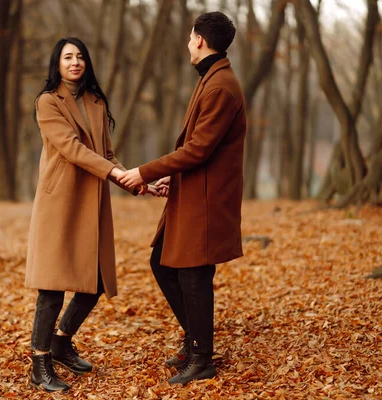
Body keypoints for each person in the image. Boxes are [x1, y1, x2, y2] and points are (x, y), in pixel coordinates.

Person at [119, 12, 246, 385]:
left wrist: (145, 171)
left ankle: (202, 358)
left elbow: (198, 150)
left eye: (191, 38)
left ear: (200, 41)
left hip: (207, 202)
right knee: (162, 262)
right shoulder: (212, 79)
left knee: (194, 278)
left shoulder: (221, 86)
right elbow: (200, 151)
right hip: (192, 194)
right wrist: (172, 182)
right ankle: (195, 342)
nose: (188, 44)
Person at [25, 37, 149, 393]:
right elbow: (71, 148)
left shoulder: (96, 100)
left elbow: (106, 154)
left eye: (80, 56)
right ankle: (40, 363)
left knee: (93, 282)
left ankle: (61, 342)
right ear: (57, 64)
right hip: (60, 203)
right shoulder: (47, 102)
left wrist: (136, 182)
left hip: (92, 202)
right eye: (68, 57)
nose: (75, 62)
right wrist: (113, 174)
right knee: (51, 288)